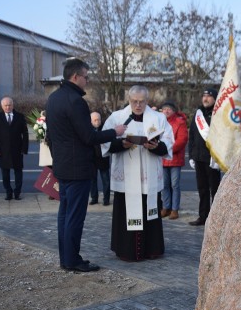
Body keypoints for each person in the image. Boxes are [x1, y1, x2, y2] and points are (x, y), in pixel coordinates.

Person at [45, 57, 125, 272]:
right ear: (75, 76)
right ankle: (72, 260)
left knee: (65, 214)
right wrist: (113, 133)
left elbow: (50, 135)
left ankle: (66, 258)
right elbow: (88, 136)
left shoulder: (53, 98)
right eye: (86, 77)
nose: (87, 81)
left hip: (62, 166)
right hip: (77, 168)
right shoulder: (75, 101)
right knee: (74, 216)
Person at [101, 85, 174, 261]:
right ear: (129, 100)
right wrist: (121, 144)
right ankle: (126, 250)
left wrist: (156, 146)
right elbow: (104, 142)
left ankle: (151, 249)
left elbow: (169, 142)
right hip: (126, 179)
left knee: (150, 213)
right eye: (134, 101)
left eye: (142, 102)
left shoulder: (158, 118)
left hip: (149, 179)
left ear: (147, 101)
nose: (138, 105)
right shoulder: (117, 117)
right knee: (125, 214)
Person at [187, 88, 221, 226]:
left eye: (209, 96)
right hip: (199, 158)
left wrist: (219, 157)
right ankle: (203, 216)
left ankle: (216, 219)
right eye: (204, 96)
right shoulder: (198, 114)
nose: (205, 98)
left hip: (212, 159)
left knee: (215, 190)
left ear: (214, 99)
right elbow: (192, 136)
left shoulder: (219, 114)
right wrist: (191, 155)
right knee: (202, 189)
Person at [0, 96, 29, 200]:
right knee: (5, 173)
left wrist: (24, 149)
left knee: (18, 172)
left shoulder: (20, 116)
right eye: (5, 105)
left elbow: (25, 134)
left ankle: (17, 192)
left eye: (9, 105)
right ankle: (8, 192)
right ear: (2, 106)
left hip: (17, 149)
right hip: (3, 150)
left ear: (13, 105)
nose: (8, 107)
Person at [160, 100, 188, 220]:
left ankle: (174, 209)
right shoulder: (159, 121)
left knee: (174, 185)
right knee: (164, 185)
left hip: (174, 158)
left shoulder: (180, 122)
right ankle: (166, 207)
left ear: (173, 111)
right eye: (164, 108)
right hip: (162, 158)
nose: (166, 111)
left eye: (169, 109)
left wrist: (167, 150)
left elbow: (182, 140)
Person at [89, 111, 111, 206]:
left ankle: (106, 199)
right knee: (92, 180)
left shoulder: (105, 128)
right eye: (95, 120)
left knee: (105, 179)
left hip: (103, 157)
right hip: (92, 158)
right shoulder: (88, 129)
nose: (97, 122)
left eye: (98, 119)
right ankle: (94, 198)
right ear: (91, 121)